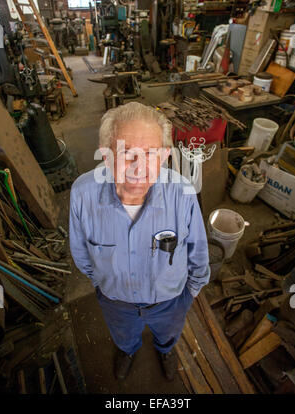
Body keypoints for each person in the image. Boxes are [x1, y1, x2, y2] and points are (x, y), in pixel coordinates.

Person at [69, 102, 210, 381]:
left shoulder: (182, 194)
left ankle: (165, 349)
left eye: (150, 153)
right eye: (125, 153)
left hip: (171, 301)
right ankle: (128, 349)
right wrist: (103, 286)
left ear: (166, 156)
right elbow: (81, 253)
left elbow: (198, 252)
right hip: (115, 301)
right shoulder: (83, 194)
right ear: (107, 157)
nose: (138, 166)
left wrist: (189, 294)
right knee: (123, 334)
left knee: (168, 333)